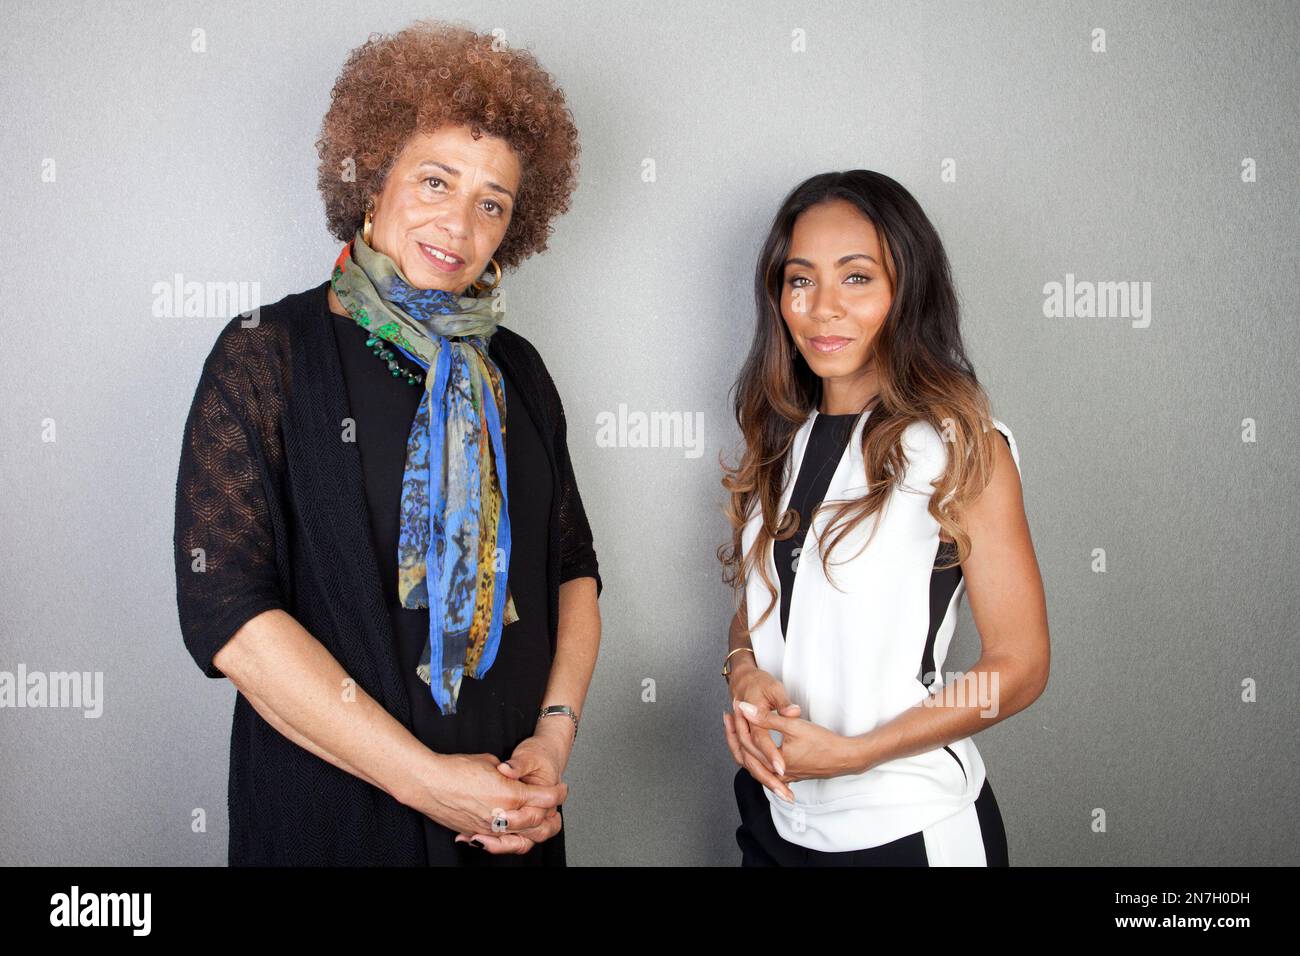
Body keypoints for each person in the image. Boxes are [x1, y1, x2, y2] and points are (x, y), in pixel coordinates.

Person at [172, 20, 602, 866]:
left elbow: (571, 569)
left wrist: (551, 744)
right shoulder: (266, 353)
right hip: (331, 820)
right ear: (373, 181)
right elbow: (228, 616)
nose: (460, 223)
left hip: (508, 818)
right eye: (435, 181)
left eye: (492, 203)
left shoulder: (518, 369)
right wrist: (424, 780)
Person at [718, 170, 1050, 866]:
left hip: (908, 830)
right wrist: (743, 669)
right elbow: (768, 605)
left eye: (858, 278)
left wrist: (856, 754)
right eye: (801, 280)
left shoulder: (964, 448)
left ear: (907, 291)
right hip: (776, 819)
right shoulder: (779, 443)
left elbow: (1019, 666)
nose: (822, 309)